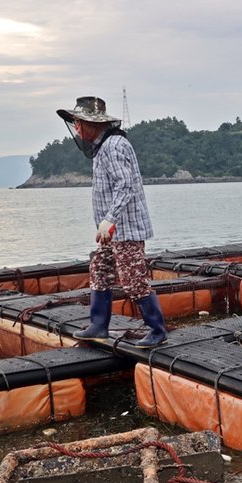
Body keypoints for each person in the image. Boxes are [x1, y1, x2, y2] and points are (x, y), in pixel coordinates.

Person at [56, 96, 167, 348]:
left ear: (93, 123)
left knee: (133, 279)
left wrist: (110, 219)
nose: (76, 128)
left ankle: (157, 330)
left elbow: (125, 185)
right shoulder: (103, 146)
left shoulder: (114, 145)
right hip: (111, 232)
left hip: (125, 228)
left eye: (79, 123)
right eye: (75, 123)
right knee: (100, 270)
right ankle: (99, 326)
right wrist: (106, 224)